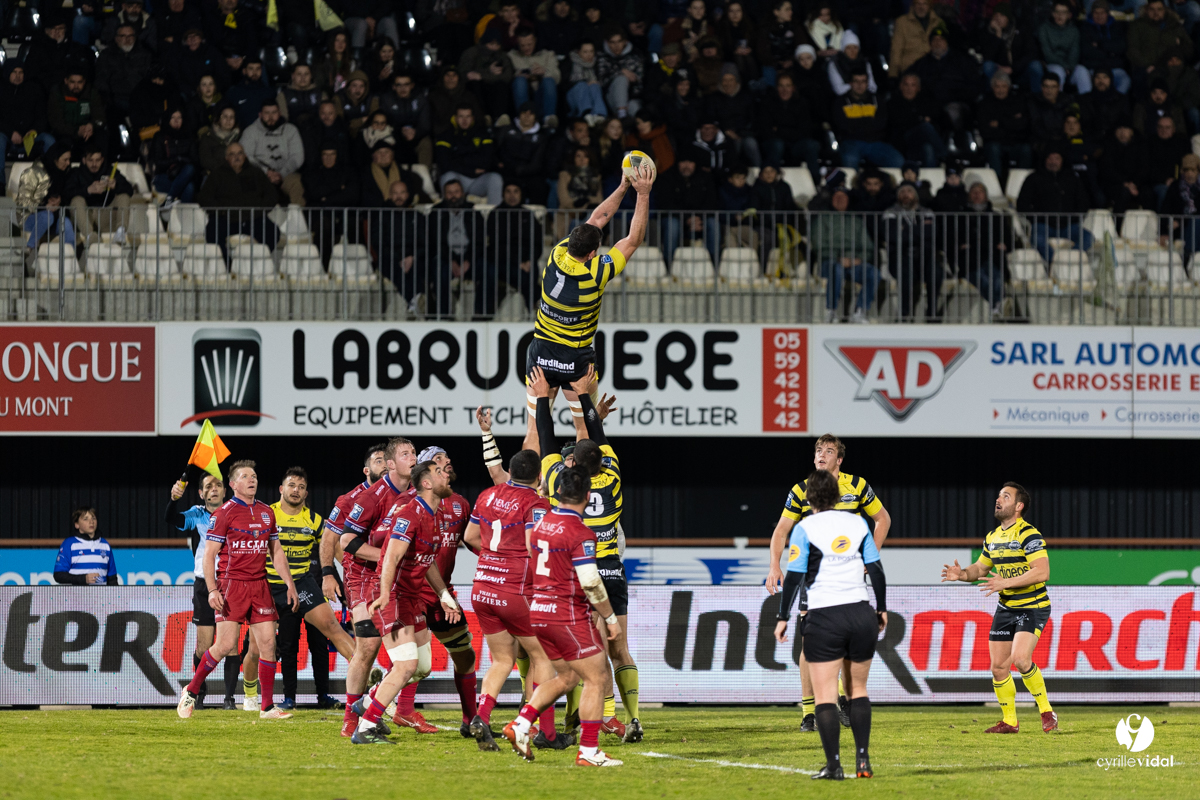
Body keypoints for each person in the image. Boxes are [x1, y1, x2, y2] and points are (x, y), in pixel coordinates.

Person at [531, 365, 643, 743]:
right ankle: (630, 718)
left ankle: (577, 720)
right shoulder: (612, 478)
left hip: (576, 573)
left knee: (583, 653)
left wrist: (543, 398)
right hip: (611, 568)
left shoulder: (559, 484)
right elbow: (596, 438)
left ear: (573, 466)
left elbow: (546, 439)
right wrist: (585, 398)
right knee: (619, 649)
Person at [500, 463, 625, 767]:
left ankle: (520, 725)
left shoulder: (542, 524)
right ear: (588, 495)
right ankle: (589, 752)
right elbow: (591, 582)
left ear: (557, 491)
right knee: (596, 677)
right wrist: (610, 618)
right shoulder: (581, 532)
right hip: (566, 614)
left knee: (567, 677)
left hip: (539, 612)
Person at [766, 434, 890, 732]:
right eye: (818, 450)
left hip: (848, 578)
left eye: (829, 451)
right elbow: (782, 530)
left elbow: (882, 519)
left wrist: (868, 557)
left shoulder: (857, 486)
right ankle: (810, 712)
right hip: (815, 581)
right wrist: (774, 565)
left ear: (839, 459)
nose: (821, 455)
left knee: (848, 641)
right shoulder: (801, 490)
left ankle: (845, 699)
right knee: (809, 643)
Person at [177, 460, 298, 720]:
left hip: (260, 584)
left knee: (268, 644)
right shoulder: (223, 514)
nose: (252, 479)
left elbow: (276, 551)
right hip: (232, 584)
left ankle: (267, 707)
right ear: (233, 484)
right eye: (245, 476)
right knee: (225, 645)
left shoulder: (267, 512)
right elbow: (209, 556)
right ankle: (192, 690)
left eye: (254, 476)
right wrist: (212, 590)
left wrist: (290, 583)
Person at [351, 461, 462, 744]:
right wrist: (384, 593)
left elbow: (428, 561)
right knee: (406, 665)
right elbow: (390, 556)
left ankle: (370, 701)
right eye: (439, 472)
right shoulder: (410, 514)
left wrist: (444, 595)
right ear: (426, 483)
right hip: (394, 595)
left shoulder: (436, 515)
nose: (446, 474)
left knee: (422, 666)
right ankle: (365, 728)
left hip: (412, 598)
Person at [527, 163, 653, 403]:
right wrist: (643, 193)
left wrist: (623, 186)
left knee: (535, 423)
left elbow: (596, 218)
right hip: (575, 354)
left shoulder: (558, 251)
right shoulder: (596, 273)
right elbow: (633, 240)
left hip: (542, 348)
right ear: (592, 254)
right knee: (586, 423)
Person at [941, 483, 1057, 734]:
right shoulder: (992, 537)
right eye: (999, 495)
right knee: (998, 668)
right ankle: (1010, 722)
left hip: (1033, 605)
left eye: (1006, 496)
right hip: (1006, 608)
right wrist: (961, 574)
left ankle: (1047, 711)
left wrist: (1006, 582)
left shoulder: (1029, 534)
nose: (998, 499)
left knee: (1021, 659)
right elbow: (980, 569)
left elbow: (1042, 571)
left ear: (1018, 506)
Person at [463, 447, 558, 752]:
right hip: (515, 590)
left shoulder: (487, 495)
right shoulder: (536, 502)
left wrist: (495, 557)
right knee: (543, 657)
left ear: (512, 471)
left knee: (503, 659)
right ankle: (546, 733)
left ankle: (481, 717)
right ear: (539, 476)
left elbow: (470, 537)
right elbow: (534, 546)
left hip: (482, 588)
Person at [324, 437, 417, 737]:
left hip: (394, 576)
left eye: (414, 453)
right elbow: (343, 541)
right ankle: (351, 719)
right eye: (406, 454)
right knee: (367, 646)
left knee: (414, 657)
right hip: (362, 576)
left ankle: (373, 703)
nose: (413, 458)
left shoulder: (416, 494)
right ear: (388, 464)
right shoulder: (366, 498)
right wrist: (328, 573)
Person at [390, 446, 478, 736]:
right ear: (426, 474)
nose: (447, 463)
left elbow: (472, 540)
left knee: (464, 656)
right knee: (414, 663)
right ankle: (381, 705)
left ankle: (471, 721)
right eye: (439, 461)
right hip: (411, 594)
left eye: (447, 459)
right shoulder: (407, 505)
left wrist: (498, 559)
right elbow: (392, 550)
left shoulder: (459, 504)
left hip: (442, 593)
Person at [268, 467, 356, 710]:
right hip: (272, 585)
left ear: (306, 493)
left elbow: (332, 548)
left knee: (331, 630)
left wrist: (350, 576)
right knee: (273, 646)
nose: (296, 490)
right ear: (281, 489)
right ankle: (264, 698)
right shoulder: (267, 515)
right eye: (291, 485)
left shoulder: (315, 520)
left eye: (301, 487)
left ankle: (370, 681)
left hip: (303, 583)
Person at [167, 472, 252, 711]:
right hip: (204, 585)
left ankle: (229, 699)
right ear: (201, 493)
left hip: (230, 583)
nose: (213, 489)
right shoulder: (196, 514)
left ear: (225, 490)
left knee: (231, 645)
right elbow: (171, 518)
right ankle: (198, 695)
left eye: (218, 485)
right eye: (208, 486)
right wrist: (174, 499)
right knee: (204, 646)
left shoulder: (237, 512)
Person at [198, 143, 281, 258]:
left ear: (245, 156)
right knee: (211, 233)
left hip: (254, 218)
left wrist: (260, 210)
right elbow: (204, 197)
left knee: (273, 233)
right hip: (226, 219)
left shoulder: (256, 173)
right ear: (226, 158)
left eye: (239, 153)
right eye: (232, 154)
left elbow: (271, 194)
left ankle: (256, 261)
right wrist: (221, 211)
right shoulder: (217, 174)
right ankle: (227, 265)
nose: (236, 157)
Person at [1017, 148, 1094, 261]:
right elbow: (1022, 203)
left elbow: (1083, 202)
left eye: (1057, 158)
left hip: (1069, 225)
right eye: (1050, 158)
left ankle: (1067, 261)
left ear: (1062, 160)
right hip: (1043, 224)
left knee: (1088, 238)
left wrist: (1074, 218)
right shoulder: (1033, 178)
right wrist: (1036, 218)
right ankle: (1054, 263)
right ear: (1045, 160)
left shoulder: (1073, 178)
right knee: (1037, 240)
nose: (1053, 162)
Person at [813, 187, 876, 323]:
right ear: (831, 200)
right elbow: (818, 245)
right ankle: (831, 311)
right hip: (829, 262)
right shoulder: (822, 219)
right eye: (837, 197)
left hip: (854, 264)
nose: (840, 200)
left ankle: (860, 311)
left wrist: (856, 260)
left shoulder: (856, 221)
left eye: (843, 197)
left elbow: (868, 247)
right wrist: (838, 258)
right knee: (836, 269)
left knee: (873, 273)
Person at [479, 183, 543, 317]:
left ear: (521, 194)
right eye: (508, 191)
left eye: (515, 191)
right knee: (517, 276)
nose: (512, 195)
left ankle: (535, 313)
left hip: (525, 261)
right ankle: (539, 303)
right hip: (501, 262)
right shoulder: (495, 214)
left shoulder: (528, 215)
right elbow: (495, 246)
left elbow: (537, 243)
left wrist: (529, 260)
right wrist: (518, 262)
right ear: (503, 194)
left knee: (531, 270)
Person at [657, 150, 720, 268]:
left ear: (695, 164)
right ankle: (668, 265)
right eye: (683, 162)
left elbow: (711, 202)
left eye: (690, 162)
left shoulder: (705, 178)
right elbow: (666, 203)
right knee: (672, 225)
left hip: (700, 220)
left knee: (713, 223)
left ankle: (714, 265)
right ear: (678, 163)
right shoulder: (667, 177)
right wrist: (687, 219)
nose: (686, 166)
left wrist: (698, 218)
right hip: (676, 218)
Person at [832, 71, 903, 169]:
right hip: (851, 142)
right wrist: (869, 121)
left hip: (876, 142)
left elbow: (882, 123)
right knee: (850, 159)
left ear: (867, 83)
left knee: (898, 161)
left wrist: (856, 123)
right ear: (850, 83)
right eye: (856, 81)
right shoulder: (840, 102)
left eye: (863, 81)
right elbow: (842, 125)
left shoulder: (877, 100)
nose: (860, 85)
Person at [241, 100, 306, 206]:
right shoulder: (250, 131)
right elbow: (245, 155)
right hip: (259, 175)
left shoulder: (291, 130)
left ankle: (297, 215)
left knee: (297, 182)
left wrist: (282, 174)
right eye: (267, 113)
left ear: (279, 113)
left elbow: (297, 156)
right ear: (260, 115)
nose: (270, 117)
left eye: (274, 112)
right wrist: (266, 172)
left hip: (286, 174)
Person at [435, 105, 504, 205]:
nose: (464, 120)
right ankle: (450, 212)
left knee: (495, 178)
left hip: (478, 180)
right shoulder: (446, 135)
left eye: (468, 116)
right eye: (461, 116)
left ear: (472, 118)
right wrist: (472, 169)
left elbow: (487, 160)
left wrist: (459, 160)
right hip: (459, 178)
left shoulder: (483, 133)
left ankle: (495, 214)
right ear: (455, 118)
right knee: (448, 176)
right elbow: (444, 163)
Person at [66, 146, 134, 244]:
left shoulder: (110, 171)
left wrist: (115, 185)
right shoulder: (76, 172)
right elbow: (67, 193)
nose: (94, 164)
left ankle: (121, 231)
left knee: (123, 195)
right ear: (84, 160)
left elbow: (129, 190)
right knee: (76, 200)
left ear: (102, 160)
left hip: (106, 216)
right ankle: (90, 235)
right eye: (90, 160)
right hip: (86, 216)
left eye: (97, 160)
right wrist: (87, 190)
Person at [0, 65, 55, 183]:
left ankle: (53, 180)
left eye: (21, 72)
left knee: (49, 140)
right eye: (14, 72)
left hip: (31, 136)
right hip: (8, 136)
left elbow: (42, 116)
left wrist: (34, 130)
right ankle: (0, 183)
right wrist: (11, 133)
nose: (18, 76)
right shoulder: (1, 91)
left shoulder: (34, 90)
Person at [1128, 0, 1193, 97]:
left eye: (1159, 9)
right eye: (1152, 9)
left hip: (1170, 66)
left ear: (1165, 10)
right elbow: (1132, 50)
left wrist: (1180, 44)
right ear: (1146, 10)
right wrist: (1147, 65)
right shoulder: (1137, 25)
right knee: (1140, 77)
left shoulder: (1174, 26)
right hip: (1146, 66)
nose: (1156, 13)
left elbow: (1189, 50)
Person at [887, 73, 944, 169]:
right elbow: (898, 124)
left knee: (928, 148)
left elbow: (941, 119)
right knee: (926, 127)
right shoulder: (893, 103)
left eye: (913, 85)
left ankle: (930, 176)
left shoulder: (926, 102)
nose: (909, 89)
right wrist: (921, 120)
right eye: (906, 85)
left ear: (918, 88)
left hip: (921, 143)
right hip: (902, 142)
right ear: (901, 86)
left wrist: (918, 120)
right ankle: (944, 156)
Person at [976, 4, 1040, 90]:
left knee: (1036, 66)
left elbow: (1031, 53)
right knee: (987, 66)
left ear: (1008, 17)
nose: (998, 18)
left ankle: (1037, 96)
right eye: (996, 15)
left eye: (1002, 15)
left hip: (1019, 71)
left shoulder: (1021, 29)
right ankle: (992, 96)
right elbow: (988, 57)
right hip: (999, 72)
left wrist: (1013, 68)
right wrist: (998, 35)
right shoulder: (987, 31)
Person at [497, 103, 550, 204]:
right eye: (524, 113)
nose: (527, 116)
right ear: (519, 115)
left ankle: (534, 213)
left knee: (539, 185)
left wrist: (520, 170)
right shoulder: (506, 130)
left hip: (528, 173)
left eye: (531, 114)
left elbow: (537, 162)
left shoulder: (541, 137)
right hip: (506, 170)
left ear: (535, 117)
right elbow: (497, 150)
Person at [48, 71, 107, 157]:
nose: (76, 86)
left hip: (87, 133)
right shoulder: (58, 93)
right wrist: (76, 131)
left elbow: (100, 118)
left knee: (102, 135)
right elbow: (56, 123)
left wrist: (92, 125)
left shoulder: (91, 92)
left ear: (84, 82)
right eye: (72, 82)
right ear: (66, 81)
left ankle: (100, 163)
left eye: (79, 82)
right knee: (63, 141)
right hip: (65, 133)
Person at [53, 507, 117, 586]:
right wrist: (83, 579)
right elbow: (58, 575)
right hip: (75, 594)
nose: (91, 522)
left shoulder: (105, 545)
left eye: (93, 518)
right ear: (77, 524)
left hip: (101, 594)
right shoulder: (69, 544)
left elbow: (112, 579)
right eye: (85, 519)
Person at [509, 28, 561, 126]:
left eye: (529, 44)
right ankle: (523, 119)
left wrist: (544, 72)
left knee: (549, 80)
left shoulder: (547, 54)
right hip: (523, 94)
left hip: (541, 94)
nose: (526, 48)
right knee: (519, 81)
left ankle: (549, 119)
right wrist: (519, 74)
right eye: (522, 45)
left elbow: (557, 77)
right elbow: (506, 75)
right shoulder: (512, 55)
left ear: (535, 41)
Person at [149, 108, 199, 205]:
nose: (176, 120)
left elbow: (195, 161)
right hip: (164, 176)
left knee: (190, 172)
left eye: (179, 117)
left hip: (183, 174)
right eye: (173, 117)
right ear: (168, 119)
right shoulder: (160, 136)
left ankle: (169, 200)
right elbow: (158, 162)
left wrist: (181, 161)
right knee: (188, 187)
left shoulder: (189, 137)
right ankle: (172, 201)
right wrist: (176, 159)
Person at [1080, 1, 1131, 95]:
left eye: (1102, 13)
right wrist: (1110, 53)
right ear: (1092, 14)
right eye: (1096, 13)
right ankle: (1089, 102)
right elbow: (1087, 51)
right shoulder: (1085, 28)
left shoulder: (1117, 27)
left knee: (1125, 80)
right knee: (1083, 75)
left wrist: (1100, 45)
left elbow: (1121, 47)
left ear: (1107, 13)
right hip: (1093, 68)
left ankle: (1116, 102)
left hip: (1113, 68)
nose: (1099, 16)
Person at [889, 0, 945, 78]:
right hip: (910, 70)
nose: (921, 7)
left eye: (924, 4)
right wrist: (893, 74)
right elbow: (896, 49)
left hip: (933, 70)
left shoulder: (938, 22)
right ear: (913, 5)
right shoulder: (902, 22)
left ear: (929, 6)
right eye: (918, 3)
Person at [597, 29, 645, 119]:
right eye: (612, 42)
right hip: (611, 97)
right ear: (607, 43)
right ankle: (622, 114)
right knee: (621, 79)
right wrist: (621, 72)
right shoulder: (602, 57)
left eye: (619, 41)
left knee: (634, 108)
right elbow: (601, 82)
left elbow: (640, 83)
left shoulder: (635, 56)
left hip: (632, 97)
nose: (616, 46)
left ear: (625, 42)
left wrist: (634, 81)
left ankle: (624, 121)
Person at [225, 58, 275, 130]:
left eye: (258, 69)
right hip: (240, 133)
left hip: (265, 133)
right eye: (251, 69)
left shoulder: (269, 92)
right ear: (244, 71)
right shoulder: (234, 93)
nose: (255, 72)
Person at [567, 40, 609, 119]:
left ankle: (599, 115)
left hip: (593, 93)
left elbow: (605, 81)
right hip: (574, 95)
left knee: (594, 86)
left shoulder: (598, 63)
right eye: (585, 52)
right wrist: (585, 82)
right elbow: (564, 84)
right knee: (582, 85)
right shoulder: (570, 63)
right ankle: (586, 113)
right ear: (578, 52)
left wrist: (595, 83)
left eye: (591, 51)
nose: (589, 55)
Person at [199, 106, 241, 175]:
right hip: (214, 174)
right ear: (219, 119)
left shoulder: (240, 137)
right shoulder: (208, 136)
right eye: (225, 117)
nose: (228, 120)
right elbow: (205, 161)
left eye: (231, 117)